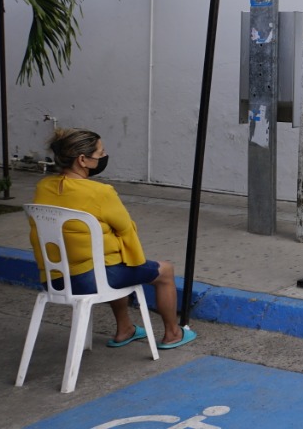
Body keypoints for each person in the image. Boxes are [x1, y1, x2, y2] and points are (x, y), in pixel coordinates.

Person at [29, 128, 196, 350]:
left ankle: (125, 328)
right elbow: (127, 229)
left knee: (109, 263)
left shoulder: (43, 186)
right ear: (82, 160)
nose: (104, 156)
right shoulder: (100, 192)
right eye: (100, 153)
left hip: (55, 280)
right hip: (88, 280)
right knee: (164, 271)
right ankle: (173, 333)